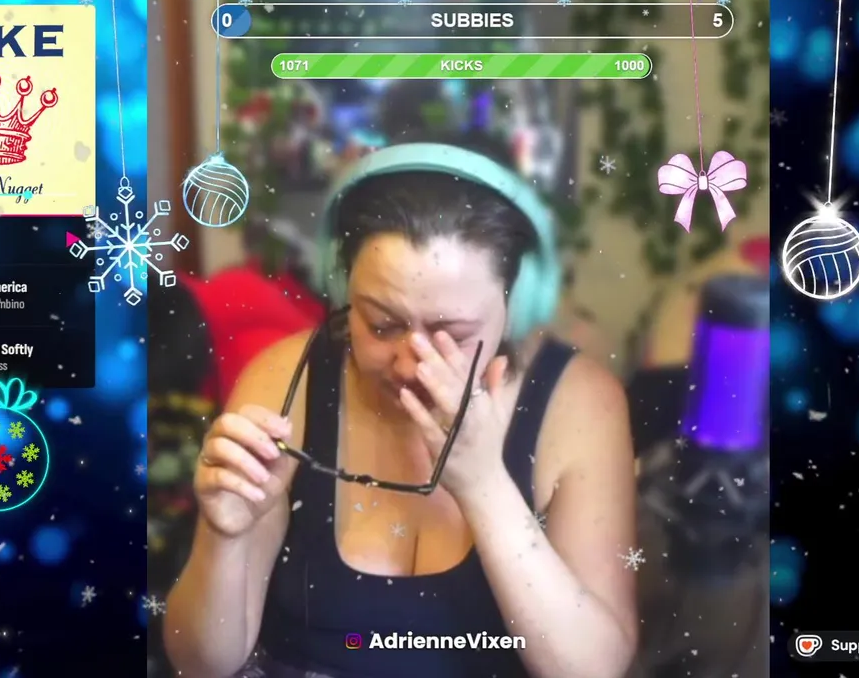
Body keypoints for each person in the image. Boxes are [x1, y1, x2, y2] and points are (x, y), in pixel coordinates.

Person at [164, 142, 639, 678]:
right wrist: (223, 539)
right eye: (381, 324)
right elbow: (199, 664)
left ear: (516, 305)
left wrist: (484, 485)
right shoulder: (283, 380)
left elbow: (593, 668)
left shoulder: (581, 405)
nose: (411, 363)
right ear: (342, 287)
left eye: (453, 333)